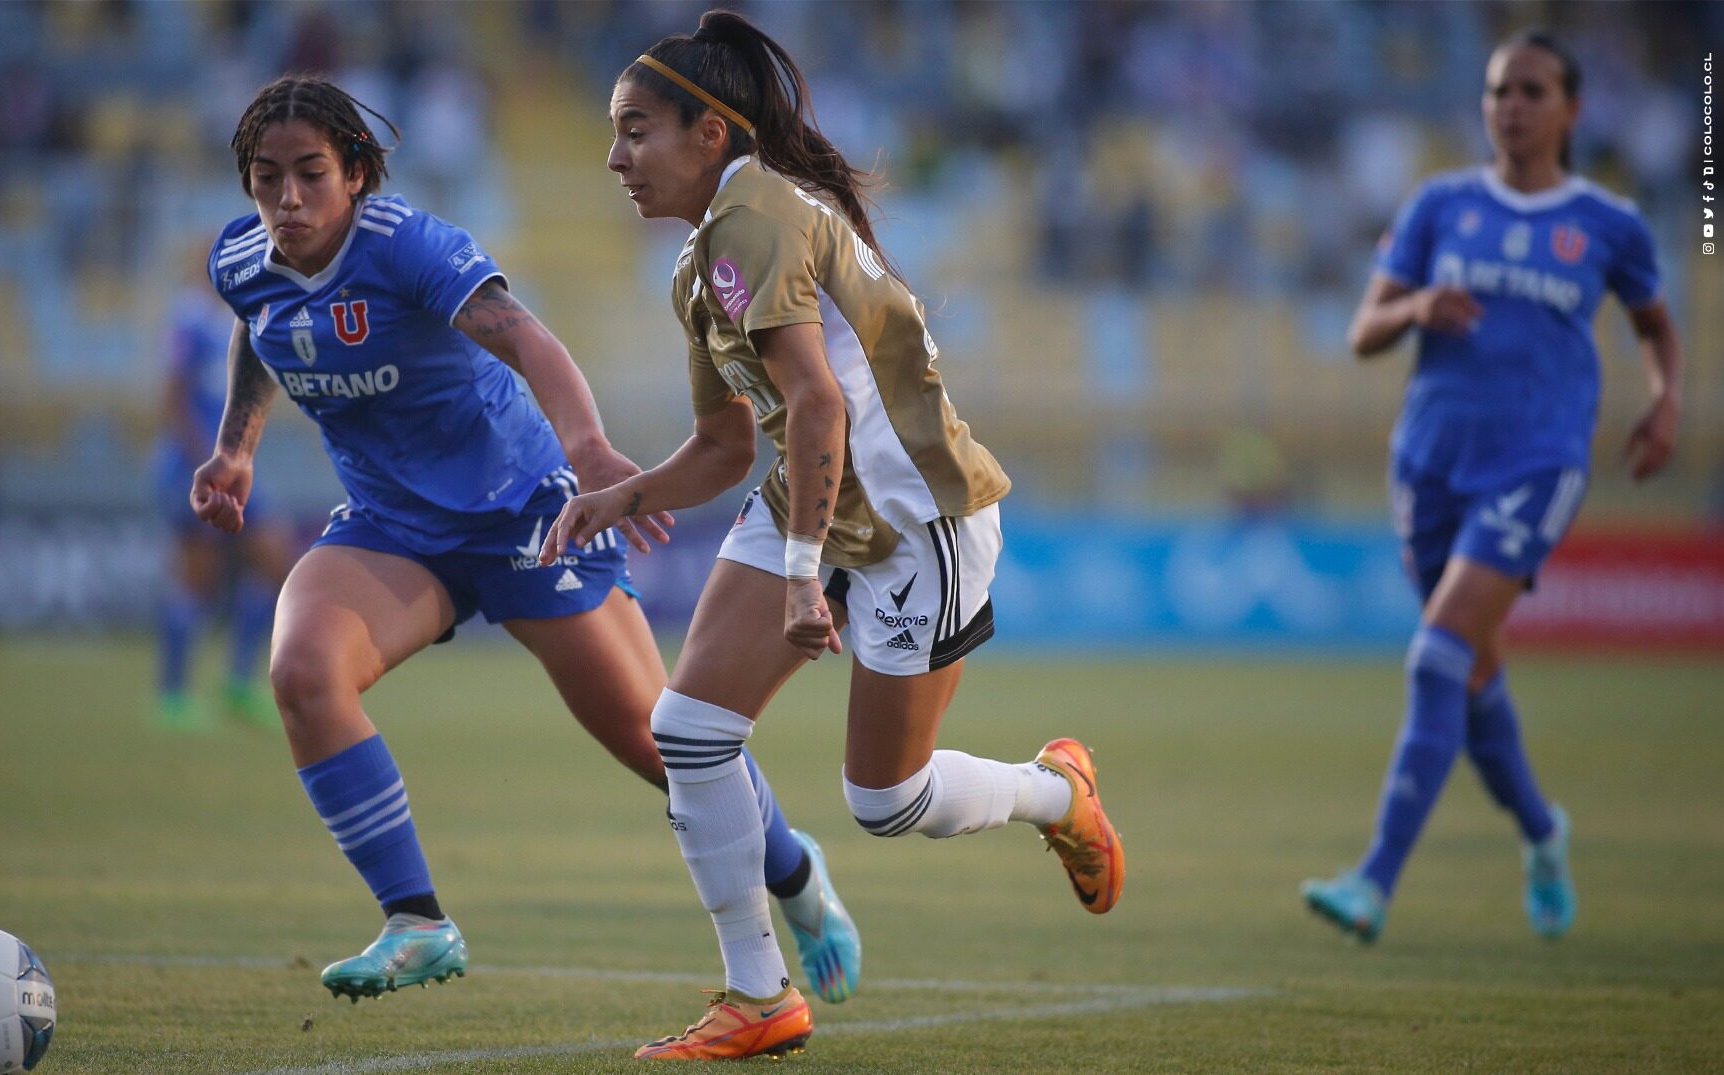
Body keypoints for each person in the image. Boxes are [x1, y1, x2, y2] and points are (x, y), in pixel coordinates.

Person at [191, 75, 860, 1004]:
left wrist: (587, 451)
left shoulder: (407, 246)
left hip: (526, 512)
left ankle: (793, 872)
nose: (288, 200)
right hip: (394, 526)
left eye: (310, 174)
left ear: (355, 174)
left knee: (659, 741)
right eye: (267, 179)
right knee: (303, 671)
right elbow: (260, 331)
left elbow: (527, 339)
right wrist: (235, 450)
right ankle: (417, 919)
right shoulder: (244, 260)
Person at [543, 11, 1124, 1060]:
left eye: (636, 130)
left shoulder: (756, 218)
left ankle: (1056, 792)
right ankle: (758, 996)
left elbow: (818, 407)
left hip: (913, 520)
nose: (614, 156)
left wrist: (807, 576)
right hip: (813, 501)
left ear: (708, 133)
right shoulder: (699, 263)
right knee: (687, 732)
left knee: (885, 802)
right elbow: (724, 448)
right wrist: (614, 499)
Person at [1304, 30, 1683, 943]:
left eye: (1531, 90)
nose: (1511, 105)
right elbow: (1362, 330)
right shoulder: (1441, 205)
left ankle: (1374, 881)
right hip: (1428, 463)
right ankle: (1544, 831)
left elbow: (1656, 326)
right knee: (1469, 671)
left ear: (1572, 108)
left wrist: (1668, 400)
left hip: (1537, 461)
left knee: (1437, 652)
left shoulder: (1608, 222)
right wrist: (1414, 308)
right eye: (1498, 91)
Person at [149, 263, 295, 731]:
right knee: (199, 580)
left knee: (278, 564)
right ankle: (172, 697)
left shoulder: (245, 317)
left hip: (235, 467)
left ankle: (237, 683)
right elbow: (174, 398)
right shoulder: (189, 319)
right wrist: (203, 462)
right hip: (193, 467)